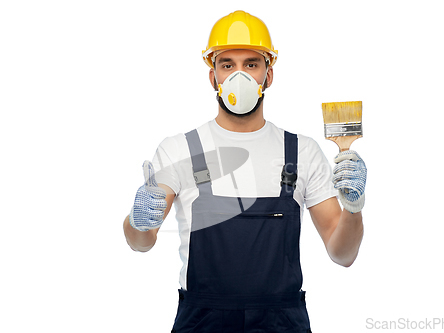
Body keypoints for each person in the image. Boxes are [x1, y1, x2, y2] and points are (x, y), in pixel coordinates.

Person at [123, 10, 366, 333]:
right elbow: (141, 244)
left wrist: (353, 208)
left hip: (283, 322)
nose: (240, 75)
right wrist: (138, 220)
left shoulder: (302, 152)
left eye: (251, 64)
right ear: (213, 77)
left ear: (269, 75)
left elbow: (343, 255)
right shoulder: (179, 149)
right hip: (202, 321)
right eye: (227, 65)